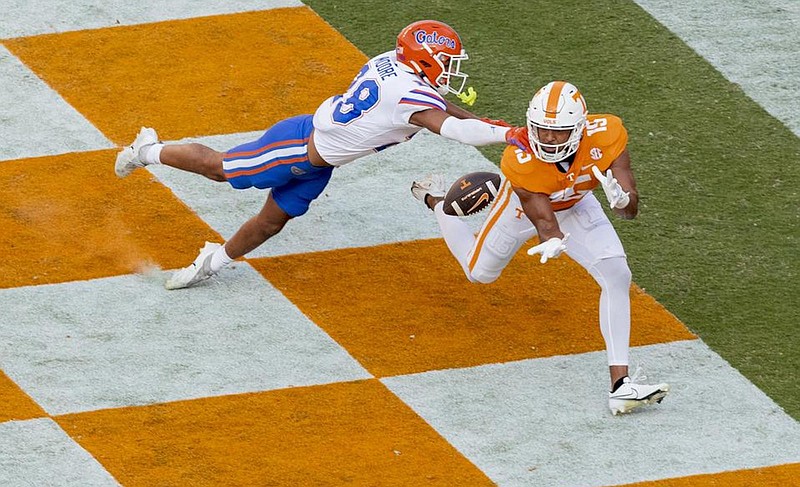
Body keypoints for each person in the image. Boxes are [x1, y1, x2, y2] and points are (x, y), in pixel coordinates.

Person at [114, 20, 530, 290]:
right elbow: (451, 128)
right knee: (221, 170)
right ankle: (147, 148)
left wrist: (485, 121)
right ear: (424, 60)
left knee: (271, 223)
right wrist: (507, 133)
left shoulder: (393, 65)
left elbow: (437, 109)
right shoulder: (409, 95)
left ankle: (212, 261)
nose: (452, 68)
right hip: (296, 147)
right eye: (446, 61)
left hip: (320, 162)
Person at [411, 80, 670, 415]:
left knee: (616, 274)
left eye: (558, 132)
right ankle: (436, 200)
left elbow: (629, 210)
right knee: (479, 273)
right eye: (542, 130)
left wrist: (622, 199)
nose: (547, 139)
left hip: (578, 203)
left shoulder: (608, 135)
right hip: (520, 209)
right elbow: (544, 221)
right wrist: (553, 240)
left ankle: (620, 386)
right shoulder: (520, 159)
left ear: (579, 128)